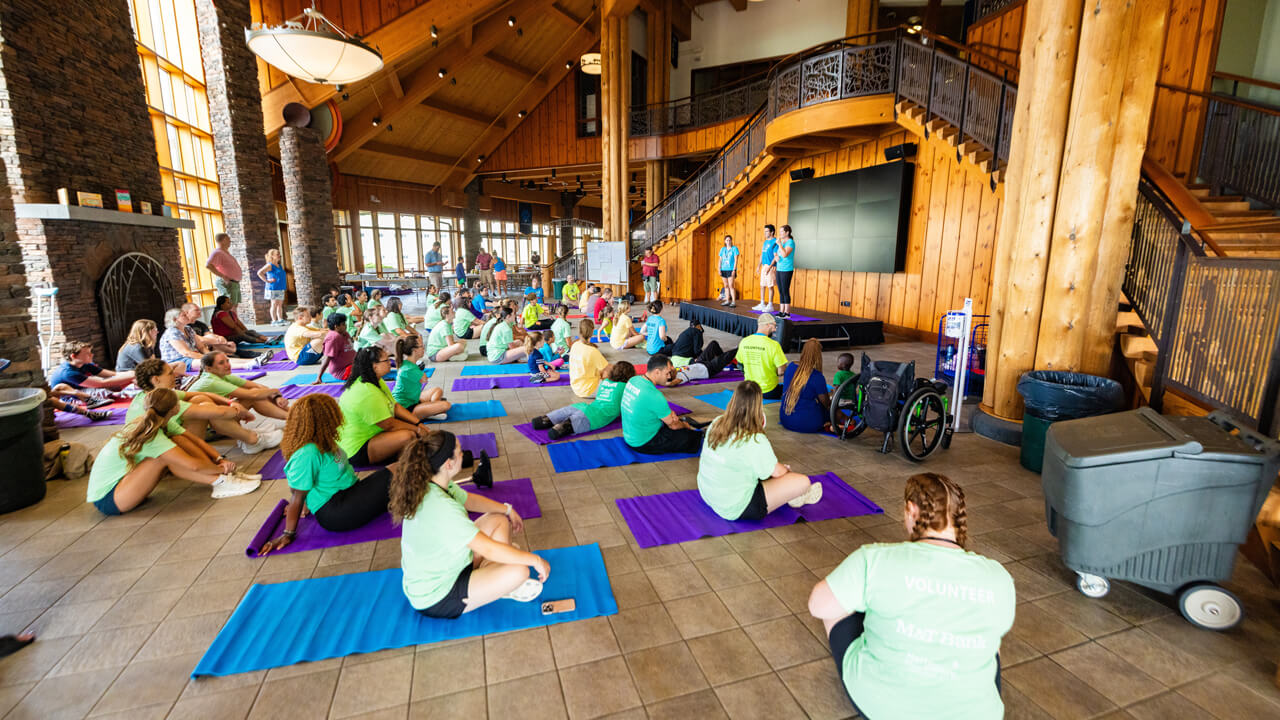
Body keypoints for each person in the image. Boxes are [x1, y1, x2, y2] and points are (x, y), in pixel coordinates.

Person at [808, 473, 1015, 720]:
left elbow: (817, 606)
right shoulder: (998, 577)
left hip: (886, 708)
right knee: (990, 641)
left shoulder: (876, 559)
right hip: (977, 714)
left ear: (911, 510)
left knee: (837, 603)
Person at [391, 431, 547, 618]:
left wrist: (507, 509)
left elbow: (469, 500)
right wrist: (535, 560)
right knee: (520, 570)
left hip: (450, 565)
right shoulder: (443, 509)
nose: (463, 453)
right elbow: (488, 549)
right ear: (449, 464)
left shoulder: (433, 482)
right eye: (459, 451)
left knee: (497, 520)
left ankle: (492, 575)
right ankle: (499, 583)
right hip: (437, 596)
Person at [257, 394, 396, 555]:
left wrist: (305, 505)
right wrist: (288, 533)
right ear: (323, 421)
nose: (338, 416)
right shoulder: (307, 453)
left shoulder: (323, 440)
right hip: (337, 511)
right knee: (400, 470)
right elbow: (297, 493)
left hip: (350, 494)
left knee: (400, 470)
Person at [87, 389, 259, 515]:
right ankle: (220, 482)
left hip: (123, 486)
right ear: (175, 408)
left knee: (177, 441)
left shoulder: (156, 421)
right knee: (164, 458)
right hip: (109, 499)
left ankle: (222, 479)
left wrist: (219, 459)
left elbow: (194, 440)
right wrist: (222, 469)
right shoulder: (151, 434)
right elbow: (192, 465)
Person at [697, 381, 822, 521]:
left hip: (708, 493)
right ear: (758, 407)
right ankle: (797, 494)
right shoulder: (754, 439)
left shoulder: (717, 422)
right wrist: (785, 471)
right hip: (735, 506)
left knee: (771, 470)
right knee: (802, 481)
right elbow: (777, 472)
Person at [129, 358, 281, 455]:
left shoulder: (155, 394)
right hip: (165, 453)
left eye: (227, 360)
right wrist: (238, 410)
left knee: (201, 398)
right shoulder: (160, 400)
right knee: (207, 407)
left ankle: (246, 436)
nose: (175, 376)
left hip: (169, 446)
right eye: (170, 373)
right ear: (156, 379)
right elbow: (220, 411)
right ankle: (252, 440)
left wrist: (230, 403)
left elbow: (251, 388)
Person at [339, 347, 432, 465]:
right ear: (374, 366)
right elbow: (389, 425)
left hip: (374, 433)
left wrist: (419, 424)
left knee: (412, 432)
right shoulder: (366, 392)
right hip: (355, 449)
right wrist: (418, 430)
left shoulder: (375, 380)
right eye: (386, 360)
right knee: (408, 436)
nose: (390, 362)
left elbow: (395, 406)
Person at [622, 354, 704, 455]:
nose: (669, 377)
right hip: (643, 443)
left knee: (674, 420)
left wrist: (670, 417)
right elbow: (674, 426)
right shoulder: (654, 394)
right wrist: (685, 426)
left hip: (629, 435)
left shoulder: (633, 380)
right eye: (667, 373)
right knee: (691, 437)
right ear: (657, 371)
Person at [533, 361, 636, 440]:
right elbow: (628, 406)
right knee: (562, 429)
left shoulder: (605, 382)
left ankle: (546, 419)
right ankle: (561, 427)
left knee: (567, 411)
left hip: (586, 406)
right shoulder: (626, 387)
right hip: (595, 416)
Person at [188, 351, 292, 421]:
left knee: (257, 392)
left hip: (215, 417)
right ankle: (293, 418)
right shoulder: (210, 381)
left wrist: (277, 397)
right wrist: (274, 390)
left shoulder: (222, 375)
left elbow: (257, 387)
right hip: (208, 425)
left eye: (227, 361)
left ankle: (294, 413)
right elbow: (253, 395)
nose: (227, 365)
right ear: (209, 368)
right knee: (254, 397)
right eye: (221, 363)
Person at [392, 336, 453, 421]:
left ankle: (430, 409)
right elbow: (424, 379)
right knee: (446, 405)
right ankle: (430, 412)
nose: (424, 348)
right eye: (422, 346)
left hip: (413, 400)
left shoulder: (408, 363)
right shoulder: (409, 368)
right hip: (406, 408)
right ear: (414, 350)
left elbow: (423, 378)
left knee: (437, 390)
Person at [779, 339, 833, 433]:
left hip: (786, 419)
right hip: (808, 424)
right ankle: (845, 421)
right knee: (830, 409)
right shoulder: (817, 376)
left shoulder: (790, 367)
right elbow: (827, 404)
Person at [49, 341, 135, 393]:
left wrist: (132, 374)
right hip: (72, 397)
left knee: (124, 381)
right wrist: (132, 375)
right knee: (111, 388)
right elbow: (101, 384)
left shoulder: (85, 364)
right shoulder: (68, 373)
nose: (92, 355)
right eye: (87, 353)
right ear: (73, 356)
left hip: (87, 389)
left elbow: (112, 374)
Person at [737, 313, 787, 399]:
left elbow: (740, 365)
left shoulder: (744, 341)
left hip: (749, 390)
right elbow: (781, 371)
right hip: (768, 391)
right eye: (774, 326)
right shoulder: (774, 345)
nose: (775, 330)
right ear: (768, 325)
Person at [116, 319, 185, 374]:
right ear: (146, 332)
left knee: (180, 364)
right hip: (128, 375)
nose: (157, 332)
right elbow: (149, 367)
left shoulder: (147, 345)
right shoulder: (136, 347)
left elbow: (153, 362)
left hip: (141, 371)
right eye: (155, 330)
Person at [667, 341, 738, 386]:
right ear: (671, 376)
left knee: (713, 344)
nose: (672, 368)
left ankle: (726, 363)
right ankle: (740, 347)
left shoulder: (675, 371)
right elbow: (674, 382)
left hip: (699, 362)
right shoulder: (681, 377)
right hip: (708, 369)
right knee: (727, 355)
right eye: (671, 371)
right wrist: (666, 383)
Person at [568, 318, 609, 397]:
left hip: (576, 387)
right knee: (611, 377)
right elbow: (608, 369)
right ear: (592, 331)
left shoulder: (575, 345)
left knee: (602, 370)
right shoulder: (592, 351)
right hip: (587, 390)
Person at [314, 312, 356, 384]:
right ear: (336, 326)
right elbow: (327, 358)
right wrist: (319, 377)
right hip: (343, 371)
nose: (345, 326)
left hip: (352, 365)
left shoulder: (345, 333)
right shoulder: (333, 337)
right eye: (343, 324)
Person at [205, 232, 243, 307]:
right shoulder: (217, 253)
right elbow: (208, 265)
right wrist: (223, 276)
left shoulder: (225, 253)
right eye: (228, 239)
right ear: (223, 240)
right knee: (228, 306)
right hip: (228, 283)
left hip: (233, 283)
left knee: (234, 306)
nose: (230, 241)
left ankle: (234, 319)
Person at [256, 248, 288, 325]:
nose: (279, 255)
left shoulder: (279, 265)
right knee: (274, 304)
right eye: (277, 254)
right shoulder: (270, 265)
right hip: (273, 288)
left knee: (279, 304)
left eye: (279, 254)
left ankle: (280, 319)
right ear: (272, 256)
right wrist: (267, 281)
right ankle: (274, 321)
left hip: (280, 287)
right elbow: (259, 272)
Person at [754, 224, 779, 313]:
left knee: (770, 286)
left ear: (772, 232)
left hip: (771, 266)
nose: (764, 233)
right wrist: (758, 266)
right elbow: (762, 254)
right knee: (762, 285)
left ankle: (770, 305)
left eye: (766, 231)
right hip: (764, 266)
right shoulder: (765, 242)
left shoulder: (775, 242)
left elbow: (776, 256)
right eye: (764, 231)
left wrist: (770, 267)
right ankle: (762, 303)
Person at [776, 224, 797, 319]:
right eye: (779, 231)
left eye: (782, 232)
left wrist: (780, 244)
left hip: (787, 269)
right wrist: (776, 257)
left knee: (785, 290)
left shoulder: (790, 242)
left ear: (787, 232)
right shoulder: (783, 243)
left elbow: (784, 254)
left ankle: (787, 313)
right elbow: (778, 255)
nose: (780, 233)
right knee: (780, 290)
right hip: (779, 268)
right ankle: (781, 311)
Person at [719, 234, 740, 308]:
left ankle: (733, 301)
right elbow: (720, 260)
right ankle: (727, 300)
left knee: (731, 285)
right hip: (723, 269)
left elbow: (736, 260)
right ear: (725, 241)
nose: (728, 241)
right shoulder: (722, 249)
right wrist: (719, 269)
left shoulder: (734, 249)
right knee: (726, 285)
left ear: (731, 241)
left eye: (729, 240)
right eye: (727, 240)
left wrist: (734, 269)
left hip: (731, 269)